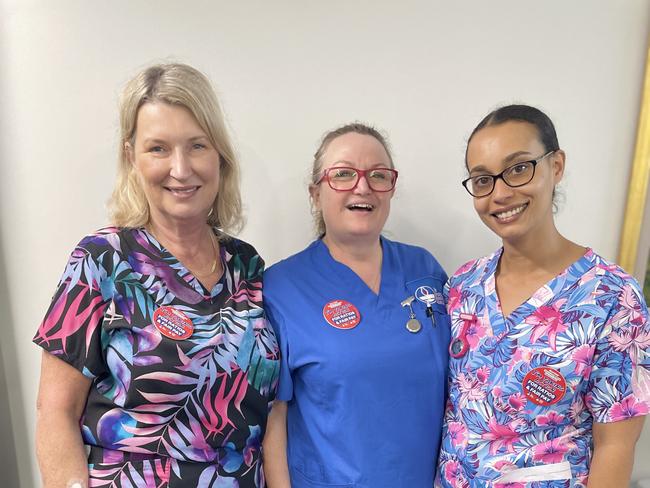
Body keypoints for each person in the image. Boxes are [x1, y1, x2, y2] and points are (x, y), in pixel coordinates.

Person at [33, 63, 279, 488]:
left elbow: (272, 410)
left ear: (220, 154)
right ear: (132, 156)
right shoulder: (101, 260)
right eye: (158, 148)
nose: (180, 169)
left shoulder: (246, 264)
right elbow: (54, 411)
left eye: (197, 145)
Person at [436, 104, 650, 487]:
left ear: (556, 166)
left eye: (518, 168)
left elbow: (616, 447)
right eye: (482, 179)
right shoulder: (463, 286)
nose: (500, 193)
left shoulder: (612, 298)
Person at [262, 123, 450, 487]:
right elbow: (275, 417)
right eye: (343, 174)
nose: (362, 186)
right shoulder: (282, 288)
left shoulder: (424, 270)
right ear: (315, 193)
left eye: (378, 175)